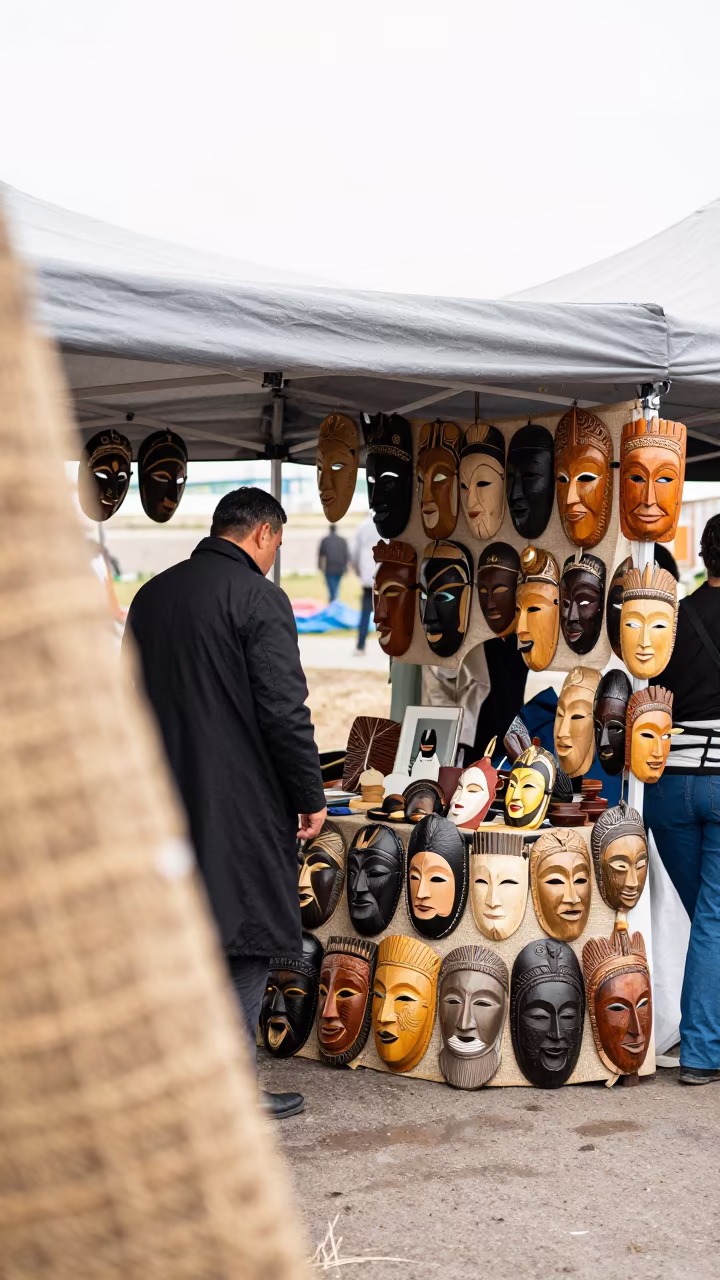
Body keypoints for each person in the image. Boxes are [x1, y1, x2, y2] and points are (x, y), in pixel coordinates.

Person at [124, 488, 327, 1118]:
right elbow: (283, 713)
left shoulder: (150, 595)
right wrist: (309, 796)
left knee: (179, 935)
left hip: (159, 797)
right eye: (279, 544)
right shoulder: (260, 598)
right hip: (238, 803)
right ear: (264, 534)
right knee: (244, 940)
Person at [645, 514, 720, 1085]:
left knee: (708, 919)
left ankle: (704, 1032)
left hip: (667, 787)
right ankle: (700, 1052)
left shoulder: (674, 619)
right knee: (714, 920)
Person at [352, 512, 380, 655]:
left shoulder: (362, 526)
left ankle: (360, 646)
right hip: (384, 578)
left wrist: (359, 572)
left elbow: (354, 553)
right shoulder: (385, 525)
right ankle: (392, 648)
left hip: (368, 578)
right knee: (390, 614)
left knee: (364, 613)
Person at [318, 523, 349, 602]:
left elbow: (321, 555)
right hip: (339, 568)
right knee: (336, 588)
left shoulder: (325, 540)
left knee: (331, 590)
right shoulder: (342, 540)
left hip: (329, 568)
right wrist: (345, 568)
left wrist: (320, 567)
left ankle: (333, 604)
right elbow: (346, 555)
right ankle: (334, 603)